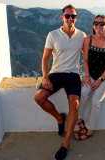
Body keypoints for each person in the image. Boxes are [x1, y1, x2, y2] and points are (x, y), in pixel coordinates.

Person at [34, 4, 86, 160]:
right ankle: (59, 118)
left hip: (73, 75)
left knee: (74, 105)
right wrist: (45, 77)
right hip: (55, 74)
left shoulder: (81, 35)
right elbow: (45, 58)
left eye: (73, 16)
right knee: (39, 97)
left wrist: (94, 74)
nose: (71, 18)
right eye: (68, 16)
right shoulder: (53, 34)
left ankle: (66, 143)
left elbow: (88, 56)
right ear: (62, 17)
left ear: (76, 18)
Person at [73, 14, 105, 140]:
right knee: (83, 92)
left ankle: (89, 130)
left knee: (95, 101)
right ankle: (79, 119)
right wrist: (87, 76)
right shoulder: (88, 39)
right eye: (96, 23)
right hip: (91, 75)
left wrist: (100, 80)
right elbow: (85, 60)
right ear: (93, 25)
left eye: (102, 24)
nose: (99, 26)